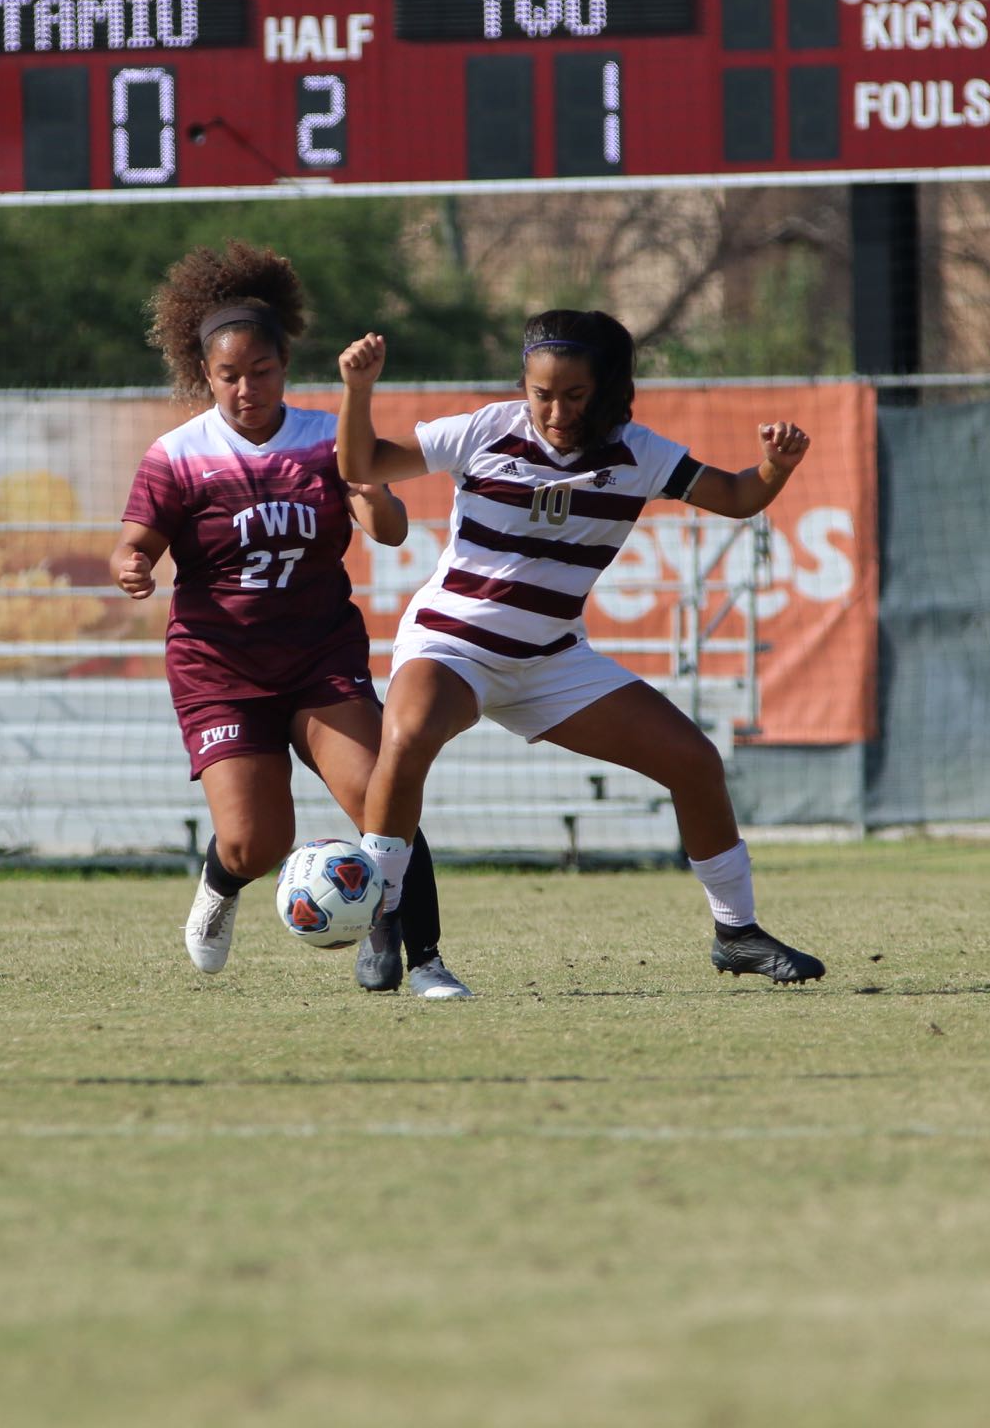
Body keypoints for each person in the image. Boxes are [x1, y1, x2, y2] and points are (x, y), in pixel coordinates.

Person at [334, 309, 826, 984]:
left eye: (574, 395)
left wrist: (774, 467)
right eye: (542, 393)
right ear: (523, 386)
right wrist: (357, 390)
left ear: (608, 389)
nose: (555, 410)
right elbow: (360, 463)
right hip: (452, 643)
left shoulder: (638, 453)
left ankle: (736, 933)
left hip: (552, 659)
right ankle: (383, 916)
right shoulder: (486, 429)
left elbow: (739, 497)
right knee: (408, 734)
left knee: (694, 762)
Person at [112, 242, 470, 998]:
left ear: (286, 366)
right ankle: (219, 884)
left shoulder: (323, 439)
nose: (246, 389)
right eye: (229, 376)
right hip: (221, 670)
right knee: (255, 840)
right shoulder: (177, 455)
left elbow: (394, 528)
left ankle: (420, 956)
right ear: (203, 375)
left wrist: (368, 492)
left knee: (383, 794)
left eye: (262, 372)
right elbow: (134, 542)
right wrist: (134, 566)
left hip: (318, 659)